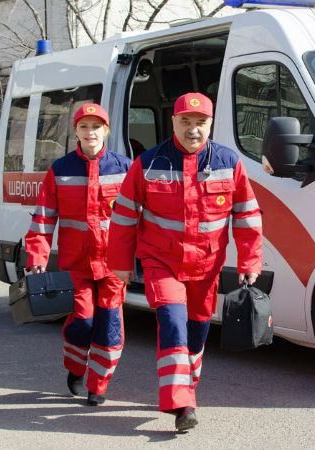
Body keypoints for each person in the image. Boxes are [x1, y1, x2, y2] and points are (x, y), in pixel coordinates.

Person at [107, 92, 263, 431]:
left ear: (210, 124)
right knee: (172, 321)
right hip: (160, 261)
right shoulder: (148, 162)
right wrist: (119, 262)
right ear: (173, 122)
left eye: (200, 123)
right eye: (185, 122)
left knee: (196, 333)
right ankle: (182, 404)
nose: (193, 129)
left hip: (207, 266)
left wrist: (250, 262)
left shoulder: (228, 162)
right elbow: (123, 215)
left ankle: (186, 387)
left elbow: (247, 215)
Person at [24, 103, 131, 406]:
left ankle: (98, 386)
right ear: (76, 132)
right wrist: (37, 257)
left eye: (96, 127)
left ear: (106, 131)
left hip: (113, 265)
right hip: (76, 264)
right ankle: (75, 368)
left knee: (109, 326)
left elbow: (138, 218)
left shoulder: (123, 168)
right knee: (82, 322)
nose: (90, 132)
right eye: (84, 127)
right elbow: (44, 218)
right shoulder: (60, 170)